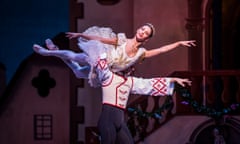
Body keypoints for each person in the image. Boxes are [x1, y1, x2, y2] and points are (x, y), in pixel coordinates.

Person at [33, 23, 196, 87]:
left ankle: (55, 52)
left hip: (107, 72)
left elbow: (161, 50)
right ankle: (48, 52)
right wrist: (80, 35)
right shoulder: (122, 39)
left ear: (146, 38)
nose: (142, 31)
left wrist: (179, 44)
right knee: (77, 57)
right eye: (142, 29)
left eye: (145, 32)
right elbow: (101, 38)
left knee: (76, 71)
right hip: (102, 57)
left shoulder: (141, 53)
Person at [90, 53, 191, 144]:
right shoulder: (108, 77)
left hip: (120, 121)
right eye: (129, 66)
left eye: (132, 67)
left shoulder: (130, 81)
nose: (132, 69)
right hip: (108, 120)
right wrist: (109, 52)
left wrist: (172, 80)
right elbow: (101, 63)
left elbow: (148, 84)